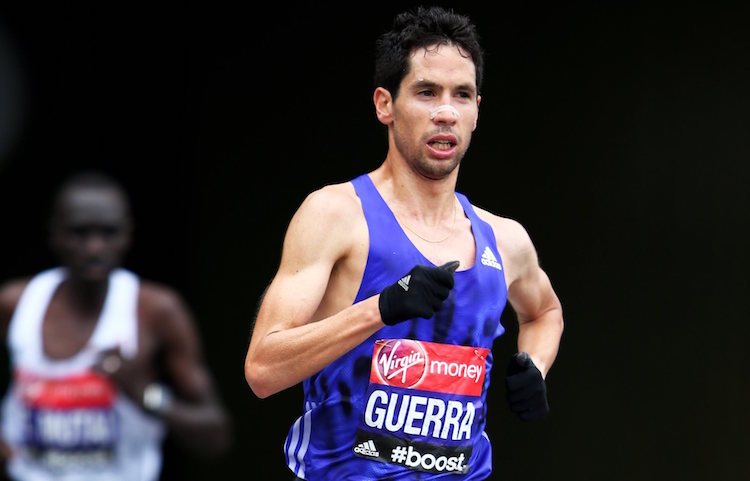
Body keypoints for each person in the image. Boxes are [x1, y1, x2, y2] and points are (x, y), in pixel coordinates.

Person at [244, 5, 564, 481]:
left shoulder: (505, 239)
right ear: (384, 105)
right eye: (426, 92)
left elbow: (544, 312)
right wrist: (381, 308)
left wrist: (535, 366)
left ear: (478, 111)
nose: (445, 112)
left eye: (463, 95)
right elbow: (263, 370)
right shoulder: (336, 215)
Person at [0, 171, 231, 481]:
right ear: (54, 233)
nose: (95, 248)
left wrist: (144, 393)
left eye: (109, 233)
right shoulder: (18, 304)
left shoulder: (154, 311)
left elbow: (215, 434)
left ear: (128, 234)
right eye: (79, 233)